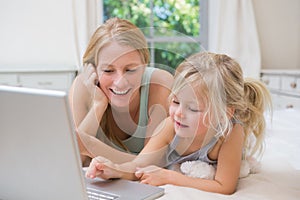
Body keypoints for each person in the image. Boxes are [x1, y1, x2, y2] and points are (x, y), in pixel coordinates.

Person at [85, 52, 272, 194]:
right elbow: (139, 165)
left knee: (243, 164)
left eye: (193, 108)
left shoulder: (230, 132)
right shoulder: (169, 126)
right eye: (175, 102)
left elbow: (225, 186)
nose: (179, 114)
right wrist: (114, 170)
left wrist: (170, 177)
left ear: (224, 114)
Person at [69, 17, 173, 166]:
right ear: (94, 69)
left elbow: (153, 164)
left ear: (144, 65)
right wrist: (98, 105)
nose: (120, 82)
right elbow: (76, 161)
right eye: (108, 70)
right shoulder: (82, 88)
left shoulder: (160, 84)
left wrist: (91, 146)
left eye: (130, 70)